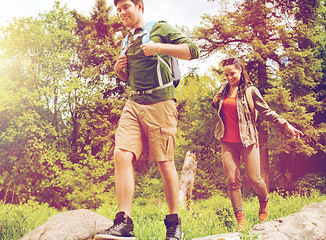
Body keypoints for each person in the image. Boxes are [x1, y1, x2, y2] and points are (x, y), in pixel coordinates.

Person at [94, 0, 199, 240]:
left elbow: (193, 50)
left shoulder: (159, 28)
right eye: (118, 9)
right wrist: (119, 70)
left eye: (126, 7)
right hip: (134, 103)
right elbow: (127, 78)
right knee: (121, 153)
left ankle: (174, 224)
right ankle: (124, 223)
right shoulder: (126, 40)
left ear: (139, 6)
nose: (122, 13)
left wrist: (159, 48)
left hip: (161, 102)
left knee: (164, 162)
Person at [212, 58, 304, 231]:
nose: (229, 77)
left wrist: (286, 125)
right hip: (227, 141)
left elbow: (267, 111)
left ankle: (264, 200)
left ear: (240, 70)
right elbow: (217, 107)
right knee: (232, 181)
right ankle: (240, 219)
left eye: (232, 73)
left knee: (254, 179)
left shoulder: (250, 91)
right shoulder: (223, 90)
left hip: (248, 140)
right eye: (226, 74)